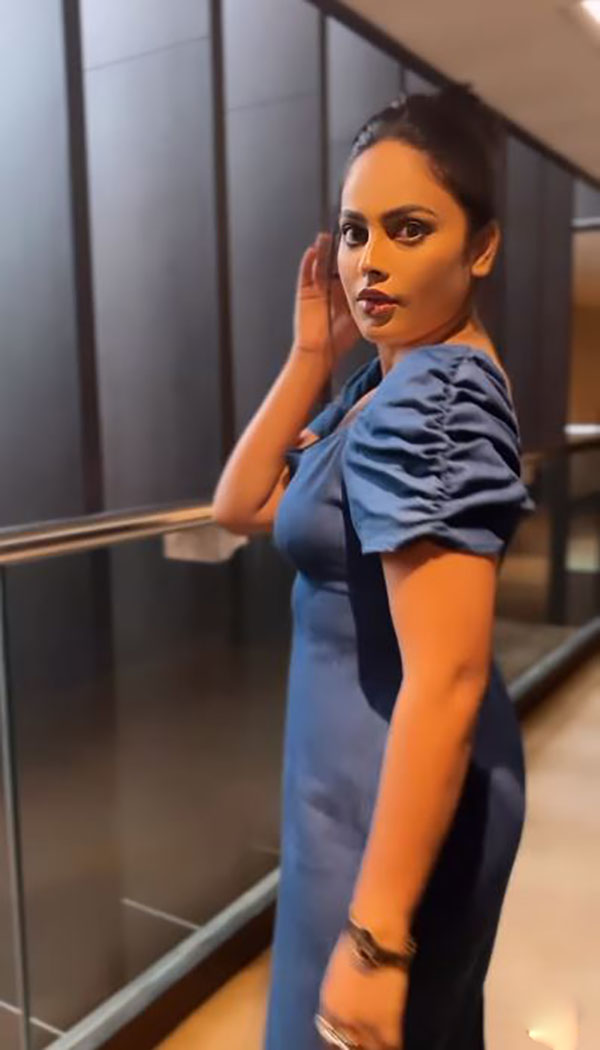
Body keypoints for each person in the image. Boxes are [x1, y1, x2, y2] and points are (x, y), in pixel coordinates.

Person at [213, 85, 536, 1050]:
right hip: (355, 781)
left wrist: (376, 937)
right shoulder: (387, 378)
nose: (370, 262)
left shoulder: (431, 402)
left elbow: (447, 676)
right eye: (356, 232)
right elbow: (244, 505)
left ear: (482, 247)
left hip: (386, 804)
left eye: (409, 229)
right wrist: (311, 352)